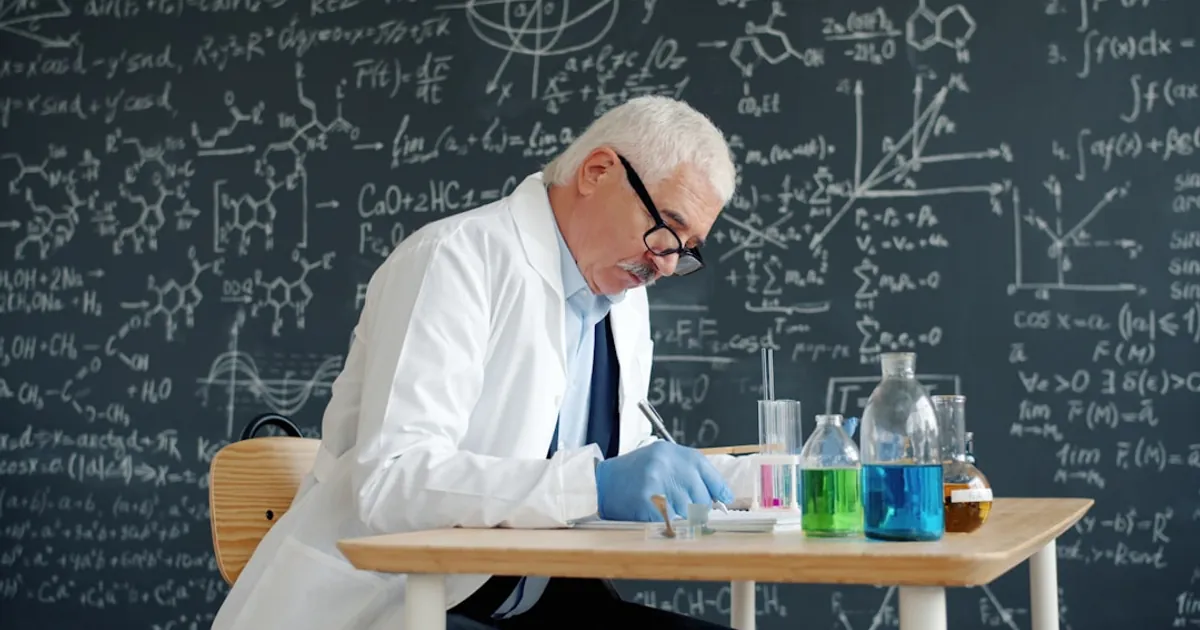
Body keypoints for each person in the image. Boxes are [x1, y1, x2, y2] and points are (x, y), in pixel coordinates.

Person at [209, 95, 757, 630]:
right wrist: (597, 483)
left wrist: (770, 479)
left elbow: (626, 463)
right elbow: (392, 480)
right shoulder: (455, 260)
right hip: (402, 600)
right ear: (597, 171)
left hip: (533, 594)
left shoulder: (622, 302)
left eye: (685, 249)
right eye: (666, 227)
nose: (664, 264)